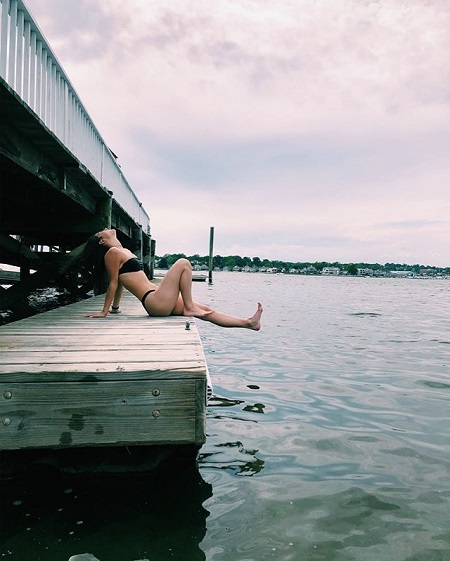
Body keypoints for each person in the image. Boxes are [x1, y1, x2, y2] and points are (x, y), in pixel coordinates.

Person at [85, 228, 263, 330]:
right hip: (154, 301)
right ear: (102, 241)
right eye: (102, 231)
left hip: (158, 299)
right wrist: (104, 312)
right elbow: (114, 283)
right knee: (183, 263)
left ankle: (248, 323)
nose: (106, 229)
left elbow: (122, 283)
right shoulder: (112, 253)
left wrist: (115, 308)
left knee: (207, 311)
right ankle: (189, 306)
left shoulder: (122, 251)